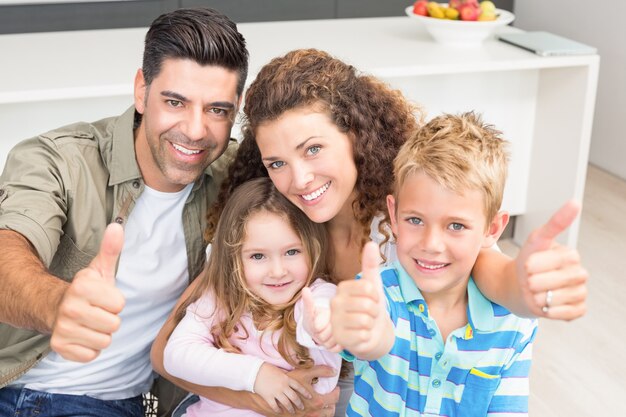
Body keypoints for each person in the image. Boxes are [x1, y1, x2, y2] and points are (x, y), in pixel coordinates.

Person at [151, 49, 588, 417]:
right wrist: (265, 396)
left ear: (355, 134)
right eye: (277, 163)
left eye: (314, 149)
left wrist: (528, 288)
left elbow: (489, 271)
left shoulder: (410, 215)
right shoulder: (277, 223)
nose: (299, 179)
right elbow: (165, 354)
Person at [0, 7, 252, 417]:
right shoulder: (57, 160)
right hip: (29, 392)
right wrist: (59, 304)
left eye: (216, 110)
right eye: (175, 101)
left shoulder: (232, 175)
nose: (194, 130)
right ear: (141, 91)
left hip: (135, 403)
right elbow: (7, 251)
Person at [329, 112, 541, 416]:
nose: (430, 244)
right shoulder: (377, 295)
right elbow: (366, 340)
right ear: (394, 214)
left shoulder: (513, 324)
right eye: (415, 220)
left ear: (492, 229)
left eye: (455, 226)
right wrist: (369, 337)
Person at [162, 177, 342, 417]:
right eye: (258, 256)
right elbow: (175, 354)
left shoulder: (316, 295)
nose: (278, 271)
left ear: (313, 247)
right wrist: (256, 374)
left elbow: (320, 314)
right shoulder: (221, 298)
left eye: (292, 252)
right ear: (234, 258)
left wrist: (323, 327)